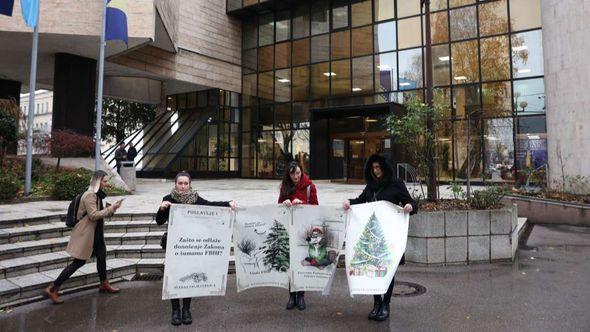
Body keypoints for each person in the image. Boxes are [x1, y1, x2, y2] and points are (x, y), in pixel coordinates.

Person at [156, 171, 237, 326]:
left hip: (191, 246)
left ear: (190, 184)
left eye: (186, 183)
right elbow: (159, 221)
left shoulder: (195, 199)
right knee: (175, 275)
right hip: (175, 245)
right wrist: (161, 209)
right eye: (180, 183)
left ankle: (186, 309)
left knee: (189, 276)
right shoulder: (168, 199)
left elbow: (211, 206)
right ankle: (175, 310)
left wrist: (228, 204)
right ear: (175, 184)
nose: (183, 186)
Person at [343, 154, 417, 322]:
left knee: (387, 272)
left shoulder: (396, 184)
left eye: (378, 167)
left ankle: (386, 304)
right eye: (373, 168)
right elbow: (361, 201)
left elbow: (412, 204)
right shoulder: (370, 186)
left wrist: (409, 206)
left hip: (389, 238)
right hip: (372, 239)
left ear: (385, 167)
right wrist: (349, 202)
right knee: (374, 272)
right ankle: (377, 303)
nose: (376, 171)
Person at [43, 170, 124, 304]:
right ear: (97, 182)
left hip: (96, 233)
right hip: (86, 234)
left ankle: (104, 284)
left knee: (102, 257)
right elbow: (93, 215)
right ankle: (52, 288)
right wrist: (111, 208)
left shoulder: (97, 195)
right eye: (104, 181)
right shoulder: (90, 195)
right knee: (78, 262)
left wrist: (113, 209)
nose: (106, 184)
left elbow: (99, 214)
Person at [278, 161, 318, 311]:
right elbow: (278, 207)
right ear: (288, 174)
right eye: (293, 173)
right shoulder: (285, 187)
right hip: (289, 229)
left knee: (301, 263)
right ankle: (291, 295)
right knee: (290, 264)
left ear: (302, 172)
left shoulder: (309, 187)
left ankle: (301, 295)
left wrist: (302, 205)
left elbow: (316, 207)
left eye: (298, 173)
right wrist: (284, 203)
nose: (296, 176)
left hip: (304, 231)